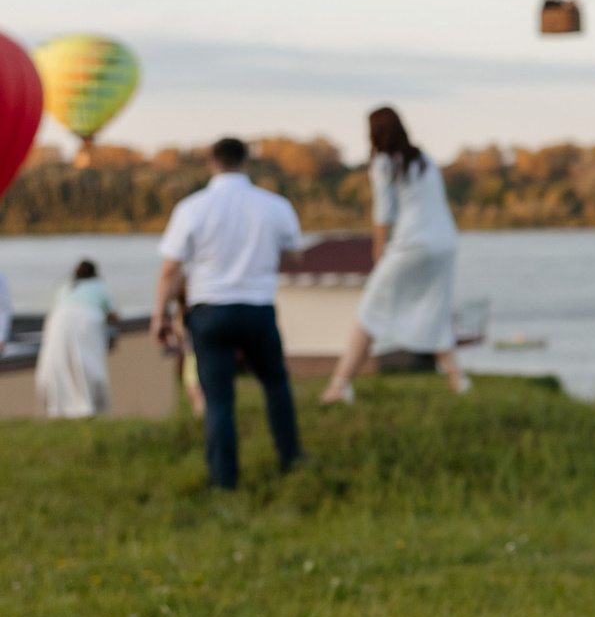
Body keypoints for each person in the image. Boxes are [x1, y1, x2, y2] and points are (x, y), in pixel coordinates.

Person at [154, 138, 304, 489]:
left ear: (211, 164)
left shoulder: (191, 208)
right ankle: (291, 456)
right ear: (246, 163)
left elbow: (169, 270)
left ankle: (223, 479)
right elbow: (295, 255)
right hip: (257, 309)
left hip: (209, 313)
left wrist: (159, 315)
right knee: (276, 383)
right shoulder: (275, 205)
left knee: (219, 398)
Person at [321, 107, 468, 403]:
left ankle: (339, 385)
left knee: (369, 311)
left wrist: (378, 252)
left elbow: (383, 212)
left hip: (413, 245)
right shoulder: (423, 159)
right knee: (435, 310)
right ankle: (458, 379)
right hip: (444, 244)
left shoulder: (383, 163)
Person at [35, 259, 117, 418]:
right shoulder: (99, 286)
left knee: (57, 364)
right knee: (88, 364)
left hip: (57, 321)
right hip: (87, 321)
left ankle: (59, 408)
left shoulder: (65, 286)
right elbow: (113, 314)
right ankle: (89, 407)